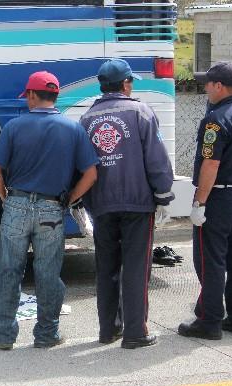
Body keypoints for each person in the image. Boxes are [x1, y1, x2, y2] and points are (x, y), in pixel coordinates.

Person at [0, 71, 99, 350]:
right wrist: (71, 198)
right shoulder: (73, 129)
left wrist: (5, 197)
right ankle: (46, 334)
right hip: (52, 208)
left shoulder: (14, 127)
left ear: (33, 96)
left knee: (9, 271)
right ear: (56, 96)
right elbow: (91, 174)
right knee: (48, 273)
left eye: (27, 96)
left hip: (16, 203)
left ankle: (3, 335)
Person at [79, 59, 174, 349]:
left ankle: (108, 329)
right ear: (125, 84)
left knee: (106, 266)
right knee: (136, 266)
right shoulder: (141, 112)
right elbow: (156, 159)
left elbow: (82, 166)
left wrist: (82, 202)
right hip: (137, 204)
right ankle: (136, 332)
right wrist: (164, 194)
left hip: (101, 205)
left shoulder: (86, 119)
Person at [178, 62, 232, 339]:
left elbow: (210, 165)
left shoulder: (215, 120)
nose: (205, 88)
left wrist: (199, 204)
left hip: (218, 196)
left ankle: (209, 320)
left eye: (208, 83)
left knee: (210, 260)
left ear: (219, 86)